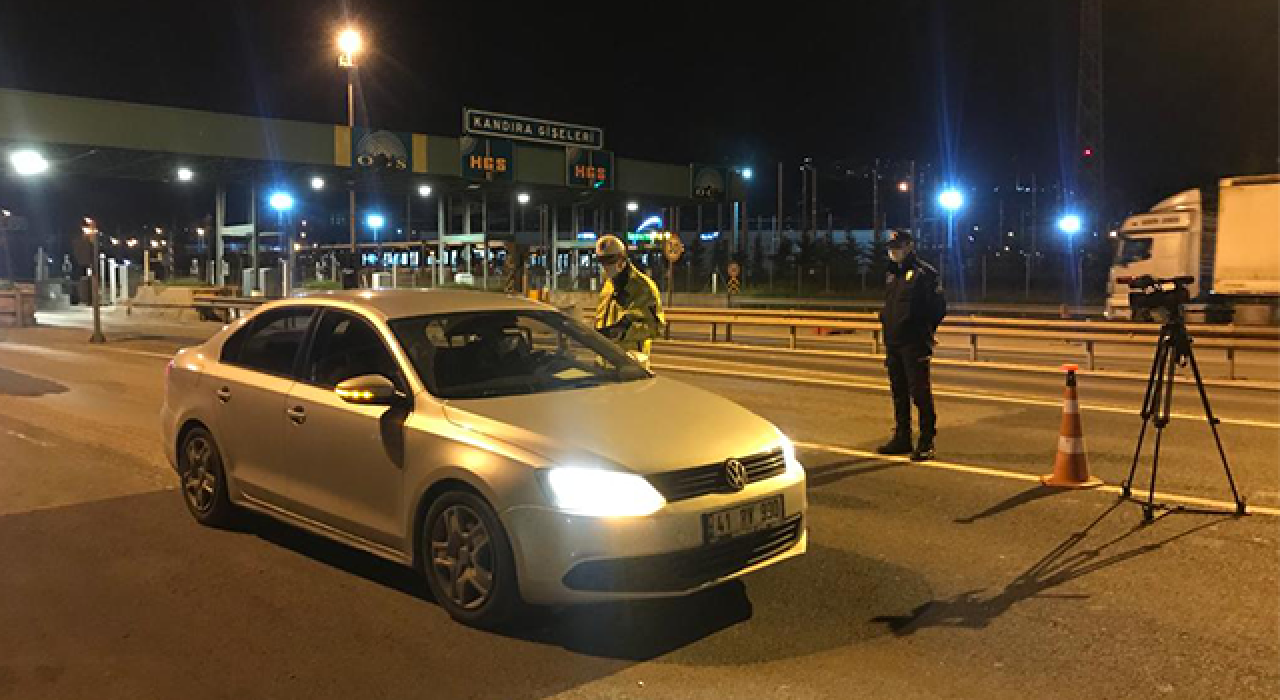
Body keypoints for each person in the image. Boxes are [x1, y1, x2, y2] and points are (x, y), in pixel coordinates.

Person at [877, 230, 947, 461]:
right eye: (890, 246)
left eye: (897, 246)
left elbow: (937, 309)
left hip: (914, 344)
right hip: (894, 343)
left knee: (920, 393)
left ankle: (926, 441)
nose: (893, 251)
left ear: (909, 246)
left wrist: (923, 332)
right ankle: (902, 437)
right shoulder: (891, 273)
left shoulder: (924, 274)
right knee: (899, 393)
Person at [593, 234, 665, 366]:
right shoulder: (608, 286)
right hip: (604, 363)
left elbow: (656, 327)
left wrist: (624, 331)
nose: (605, 267)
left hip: (631, 365)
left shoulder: (643, 287)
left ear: (622, 259)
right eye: (601, 262)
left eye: (610, 262)